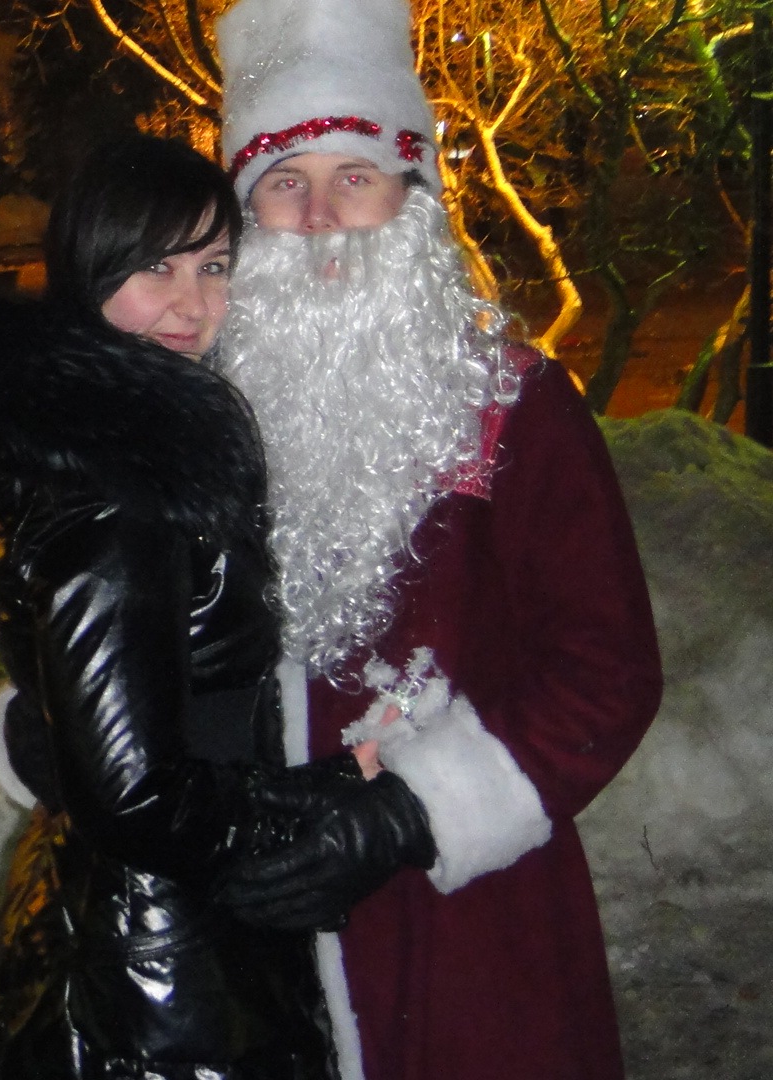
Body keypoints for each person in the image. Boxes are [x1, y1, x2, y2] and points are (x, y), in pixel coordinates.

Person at [205, 2, 664, 1079]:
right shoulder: (205, 407)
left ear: (413, 197)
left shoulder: (515, 405)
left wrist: (413, 816)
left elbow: (606, 671)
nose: (321, 218)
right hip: (246, 921)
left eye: (354, 177)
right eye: (285, 182)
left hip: (466, 926)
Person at [0, 135, 335, 1080]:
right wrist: (313, 817)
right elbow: (135, 794)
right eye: (155, 268)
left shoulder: (114, 442)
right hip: (163, 968)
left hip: (147, 923)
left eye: (214, 266)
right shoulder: (122, 493)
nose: (194, 303)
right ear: (87, 272)